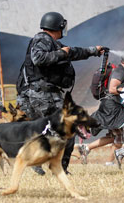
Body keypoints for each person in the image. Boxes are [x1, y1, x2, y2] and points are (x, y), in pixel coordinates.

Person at [16, 11, 103, 175]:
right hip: (42, 94)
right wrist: (63, 53)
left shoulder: (50, 42)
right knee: (68, 128)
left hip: (38, 94)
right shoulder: (41, 39)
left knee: (43, 130)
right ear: (57, 26)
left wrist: (93, 51)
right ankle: (60, 168)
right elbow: (38, 58)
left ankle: (35, 159)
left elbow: (73, 52)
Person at [78, 55, 124, 166]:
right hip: (111, 106)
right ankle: (108, 162)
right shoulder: (119, 71)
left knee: (114, 137)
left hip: (111, 104)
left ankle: (88, 149)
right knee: (119, 137)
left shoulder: (121, 71)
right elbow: (113, 89)